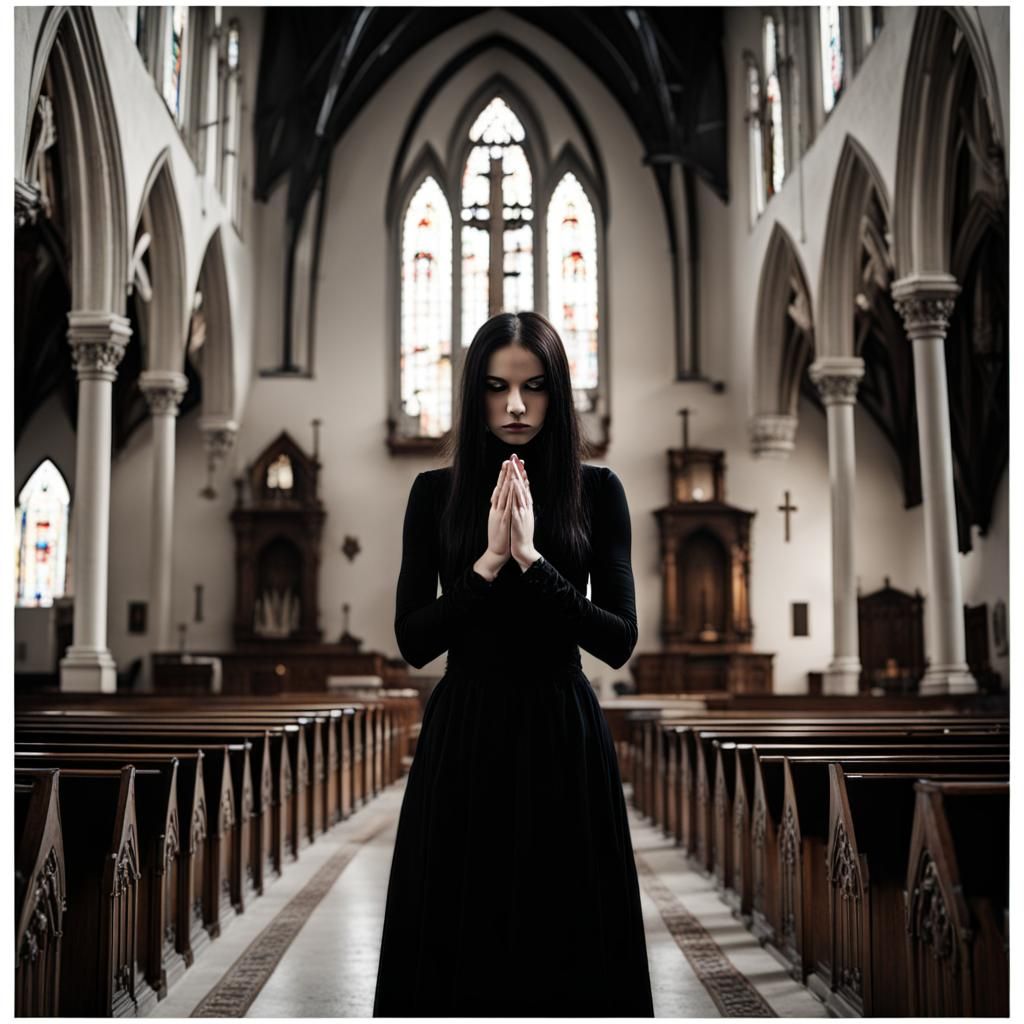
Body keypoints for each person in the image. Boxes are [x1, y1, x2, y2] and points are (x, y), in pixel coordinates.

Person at [373, 311, 654, 1017]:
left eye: (534, 388)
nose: (517, 406)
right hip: (466, 731)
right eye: (497, 388)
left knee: (565, 929)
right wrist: (489, 562)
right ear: (475, 396)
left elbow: (618, 640)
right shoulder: (433, 495)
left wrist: (532, 560)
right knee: (462, 923)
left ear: (559, 392)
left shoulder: (600, 491)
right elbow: (414, 641)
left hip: (562, 729)